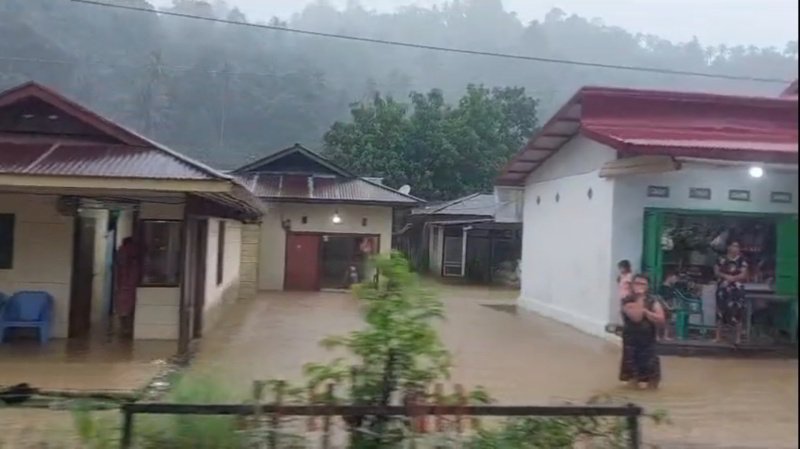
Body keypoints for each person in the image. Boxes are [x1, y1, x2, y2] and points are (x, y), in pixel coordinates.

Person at [619, 274, 665, 389]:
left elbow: (661, 319)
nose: (640, 286)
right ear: (632, 285)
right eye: (637, 283)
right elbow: (636, 317)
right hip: (631, 347)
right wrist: (640, 299)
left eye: (643, 284)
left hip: (649, 345)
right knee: (632, 380)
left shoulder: (653, 301)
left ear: (648, 286)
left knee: (653, 379)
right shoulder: (626, 300)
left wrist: (646, 312)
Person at [714, 240, 748, 344]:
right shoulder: (721, 259)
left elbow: (744, 274)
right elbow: (716, 272)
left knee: (738, 312)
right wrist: (726, 277)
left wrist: (733, 278)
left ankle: (737, 338)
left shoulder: (742, 260)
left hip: (737, 289)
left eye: (737, 246)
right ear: (728, 247)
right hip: (723, 288)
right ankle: (718, 337)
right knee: (720, 312)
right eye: (733, 246)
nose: (735, 248)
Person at [114, 237, 139, 339]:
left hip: (124, 286)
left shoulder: (122, 254)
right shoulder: (127, 255)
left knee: (124, 309)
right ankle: (126, 329)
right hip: (127, 285)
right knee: (127, 309)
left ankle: (125, 329)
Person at [656, 271, 680, 341]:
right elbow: (660, 297)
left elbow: (672, 298)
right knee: (659, 321)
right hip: (663, 306)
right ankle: (657, 335)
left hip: (670, 306)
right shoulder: (662, 287)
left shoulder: (672, 288)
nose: (676, 280)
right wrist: (666, 305)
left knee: (668, 321)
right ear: (669, 277)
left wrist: (673, 305)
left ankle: (665, 335)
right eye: (675, 278)